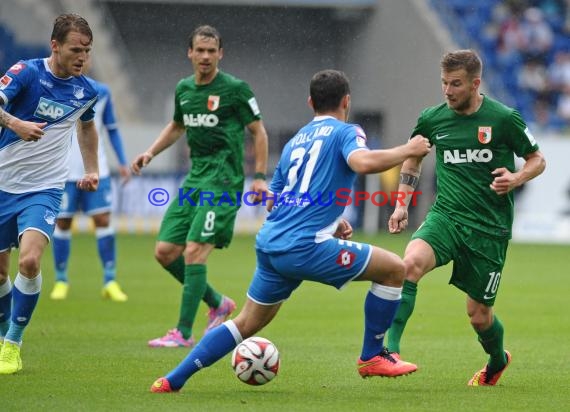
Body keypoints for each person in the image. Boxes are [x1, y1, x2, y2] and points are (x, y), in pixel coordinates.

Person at [149, 69, 432, 393]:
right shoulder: (345, 131)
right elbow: (362, 163)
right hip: (304, 247)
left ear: (310, 102)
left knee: (246, 322)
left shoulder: (295, 141)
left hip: (271, 244)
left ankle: (172, 380)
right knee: (395, 270)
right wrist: (408, 150)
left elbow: (275, 200)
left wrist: (329, 220)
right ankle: (372, 356)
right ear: (346, 101)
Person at [386, 49, 546, 386]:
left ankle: (497, 360)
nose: (447, 91)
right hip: (446, 216)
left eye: (455, 84)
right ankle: (389, 351)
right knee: (409, 265)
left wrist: (516, 179)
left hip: (489, 229)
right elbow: (413, 159)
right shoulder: (432, 119)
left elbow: (537, 159)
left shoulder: (503, 119)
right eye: (444, 83)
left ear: (475, 83)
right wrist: (402, 204)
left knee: (478, 316)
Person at [131, 25, 269, 348]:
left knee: (194, 251)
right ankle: (218, 303)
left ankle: (182, 332)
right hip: (195, 179)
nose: (206, 57)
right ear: (190, 53)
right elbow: (178, 125)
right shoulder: (184, 90)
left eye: (212, 51)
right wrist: (150, 152)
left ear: (220, 53)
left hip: (223, 182)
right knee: (165, 252)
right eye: (200, 50)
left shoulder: (235, 89)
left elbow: (259, 132)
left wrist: (260, 176)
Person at [0, 14, 99, 374]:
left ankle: (13, 343)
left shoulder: (85, 91)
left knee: (28, 261)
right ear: (54, 46)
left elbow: (87, 129)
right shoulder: (25, 72)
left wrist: (91, 169)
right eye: (76, 49)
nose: (82, 58)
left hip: (44, 189)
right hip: (2, 183)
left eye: (87, 51)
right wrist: (15, 123)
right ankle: (2, 335)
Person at [50, 58, 131, 302]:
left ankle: (110, 281)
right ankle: (61, 280)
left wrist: (123, 162)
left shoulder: (101, 91)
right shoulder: (53, 88)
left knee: (102, 220)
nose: (81, 60)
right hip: (62, 171)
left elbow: (112, 128)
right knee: (62, 223)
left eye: (85, 56)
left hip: (97, 169)